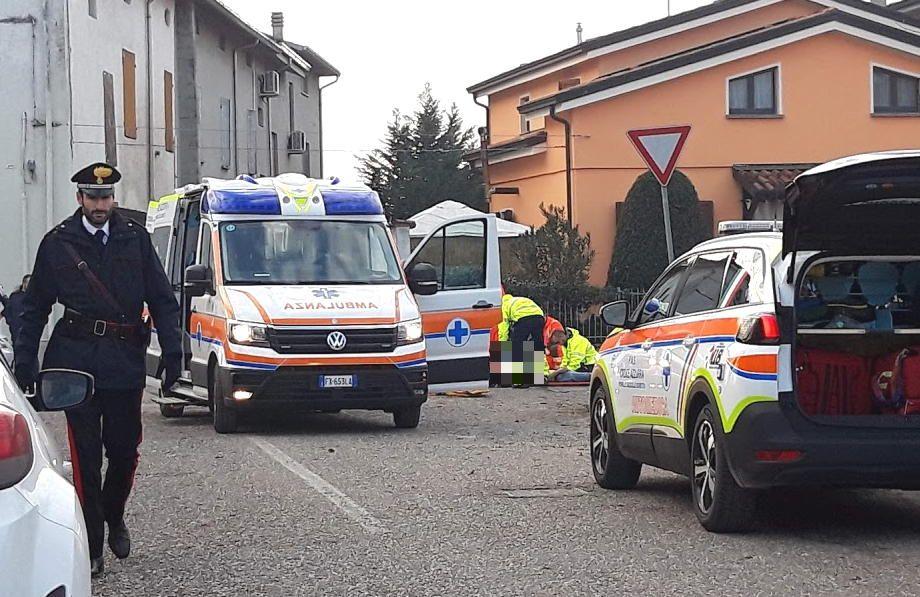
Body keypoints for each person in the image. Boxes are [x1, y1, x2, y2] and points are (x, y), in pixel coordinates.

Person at [13, 162, 182, 578]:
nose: (100, 204)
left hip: (124, 360)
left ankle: (114, 513)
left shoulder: (134, 238)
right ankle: (90, 543)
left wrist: (174, 354)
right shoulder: (58, 243)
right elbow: (35, 307)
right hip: (76, 361)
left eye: (105, 197)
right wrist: (26, 362)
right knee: (85, 458)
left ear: (114, 199)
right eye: (92, 197)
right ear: (80, 199)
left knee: (124, 452)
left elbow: (162, 299)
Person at [0, 275, 30, 347]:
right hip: (19, 329)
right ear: (24, 283)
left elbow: (8, 308)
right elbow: (8, 308)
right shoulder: (17, 297)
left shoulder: (18, 297)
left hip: (23, 330)